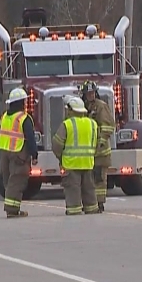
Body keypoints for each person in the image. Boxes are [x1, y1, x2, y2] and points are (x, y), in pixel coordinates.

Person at [53, 96, 100, 215]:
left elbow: (57, 145)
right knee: (89, 189)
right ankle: (92, 208)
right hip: (88, 163)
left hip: (71, 164)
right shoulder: (93, 124)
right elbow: (97, 143)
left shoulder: (67, 124)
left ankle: (74, 210)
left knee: (72, 189)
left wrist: (60, 158)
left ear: (72, 110)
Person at [0, 87, 37, 218]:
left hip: (4, 152)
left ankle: (12, 209)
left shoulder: (4, 116)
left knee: (9, 181)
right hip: (18, 153)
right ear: (21, 102)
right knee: (17, 180)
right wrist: (34, 154)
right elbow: (30, 137)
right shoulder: (24, 118)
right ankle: (12, 210)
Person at [80, 80, 116, 212]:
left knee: (99, 178)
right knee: (88, 179)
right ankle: (91, 203)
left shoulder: (101, 106)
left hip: (100, 151)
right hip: (87, 151)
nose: (91, 95)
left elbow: (108, 126)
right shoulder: (82, 108)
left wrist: (100, 141)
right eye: (88, 93)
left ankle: (100, 203)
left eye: (93, 92)